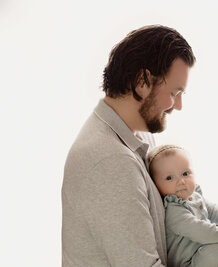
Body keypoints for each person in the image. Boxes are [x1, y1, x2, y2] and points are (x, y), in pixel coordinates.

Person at [62, 25, 195, 267]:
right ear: (142, 81)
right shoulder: (109, 160)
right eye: (175, 92)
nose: (178, 106)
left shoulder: (138, 136)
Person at [147, 145, 218, 267]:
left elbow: (213, 210)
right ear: (156, 185)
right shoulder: (174, 211)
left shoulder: (194, 196)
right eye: (169, 178)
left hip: (203, 251)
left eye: (185, 173)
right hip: (190, 262)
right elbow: (200, 230)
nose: (181, 182)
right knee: (212, 255)